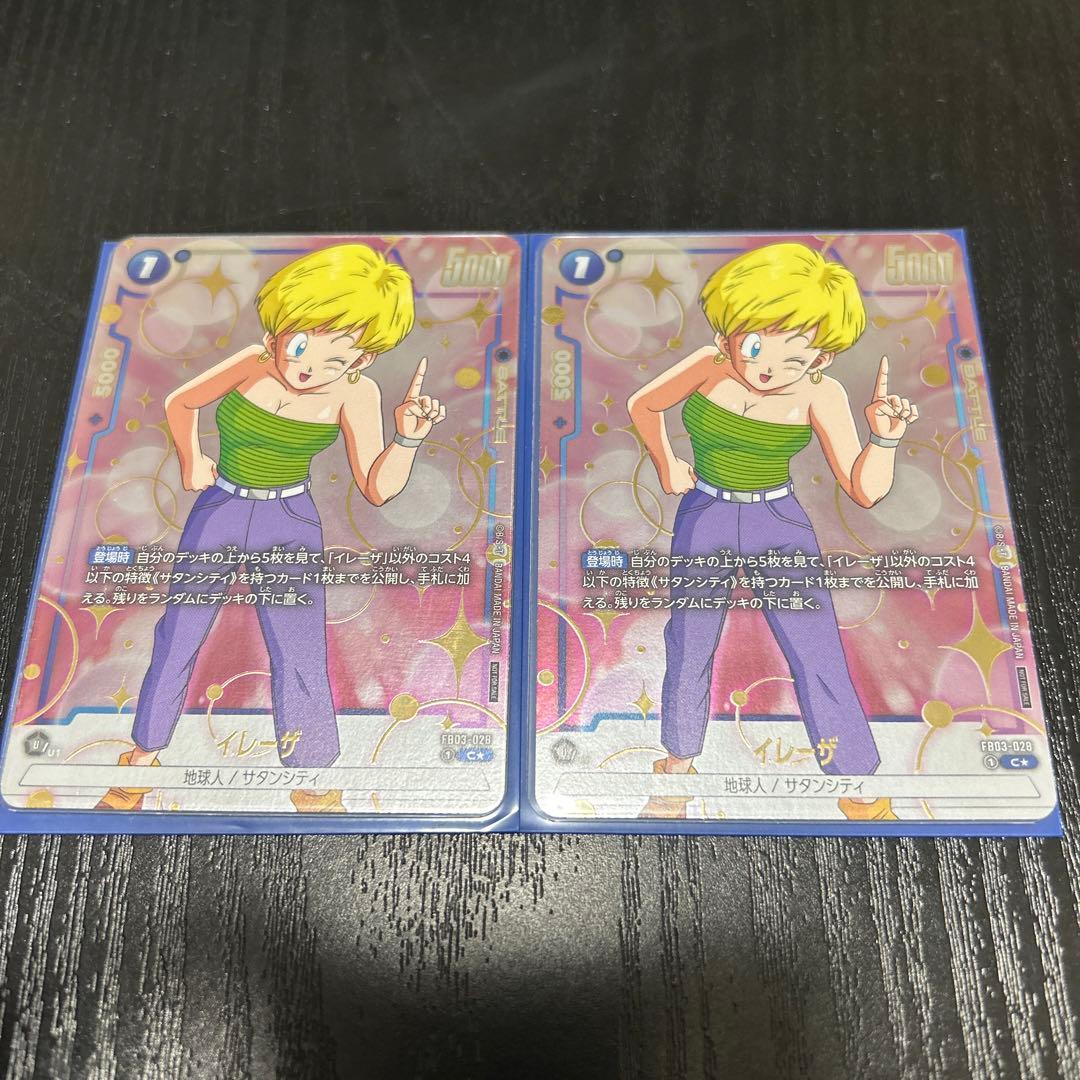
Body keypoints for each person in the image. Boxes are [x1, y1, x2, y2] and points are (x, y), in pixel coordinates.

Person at [98, 243, 444, 813]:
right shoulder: (252, 362)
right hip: (221, 508)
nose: (308, 367)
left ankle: (311, 777)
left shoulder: (358, 393)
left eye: (335, 359)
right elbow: (182, 403)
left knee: (298, 645)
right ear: (279, 329)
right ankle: (141, 758)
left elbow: (377, 487)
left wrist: (407, 438)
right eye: (301, 344)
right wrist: (191, 460)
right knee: (179, 632)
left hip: (289, 520)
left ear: (361, 359)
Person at [627, 242, 918, 821]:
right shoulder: (708, 365)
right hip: (705, 513)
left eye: (795, 358)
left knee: (815, 646)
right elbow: (644, 405)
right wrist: (667, 464)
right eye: (756, 345)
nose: (767, 369)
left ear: (822, 357)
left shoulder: (821, 393)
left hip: (776, 522)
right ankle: (676, 770)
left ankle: (857, 781)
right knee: (689, 642)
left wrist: (884, 439)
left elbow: (864, 490)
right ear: (730, 332)